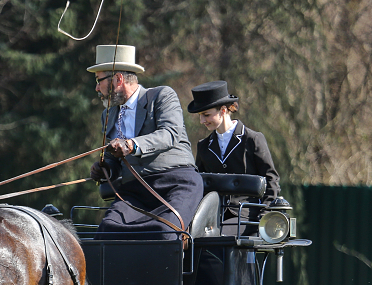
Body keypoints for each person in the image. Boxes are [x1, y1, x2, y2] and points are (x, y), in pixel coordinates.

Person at [88, 45, 204, 241]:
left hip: (176, 184)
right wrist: (105, 168)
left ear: (118, 79)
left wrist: (131, 144)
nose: (97, 88)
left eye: (99, 81)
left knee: (164, 234)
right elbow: (113, 160)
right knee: (106, 232)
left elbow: (170, 133)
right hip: (134, 193)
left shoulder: (161, 96)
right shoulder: (107, 116)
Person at [188, 80, 280, 229]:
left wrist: (265, 215)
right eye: (200, 116)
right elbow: (199, 185)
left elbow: (271, 179)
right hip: (212, 217)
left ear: (223, 110)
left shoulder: (252, 139)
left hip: (246, 215)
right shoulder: (204, 146)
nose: (202, 121)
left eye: (206, 115)